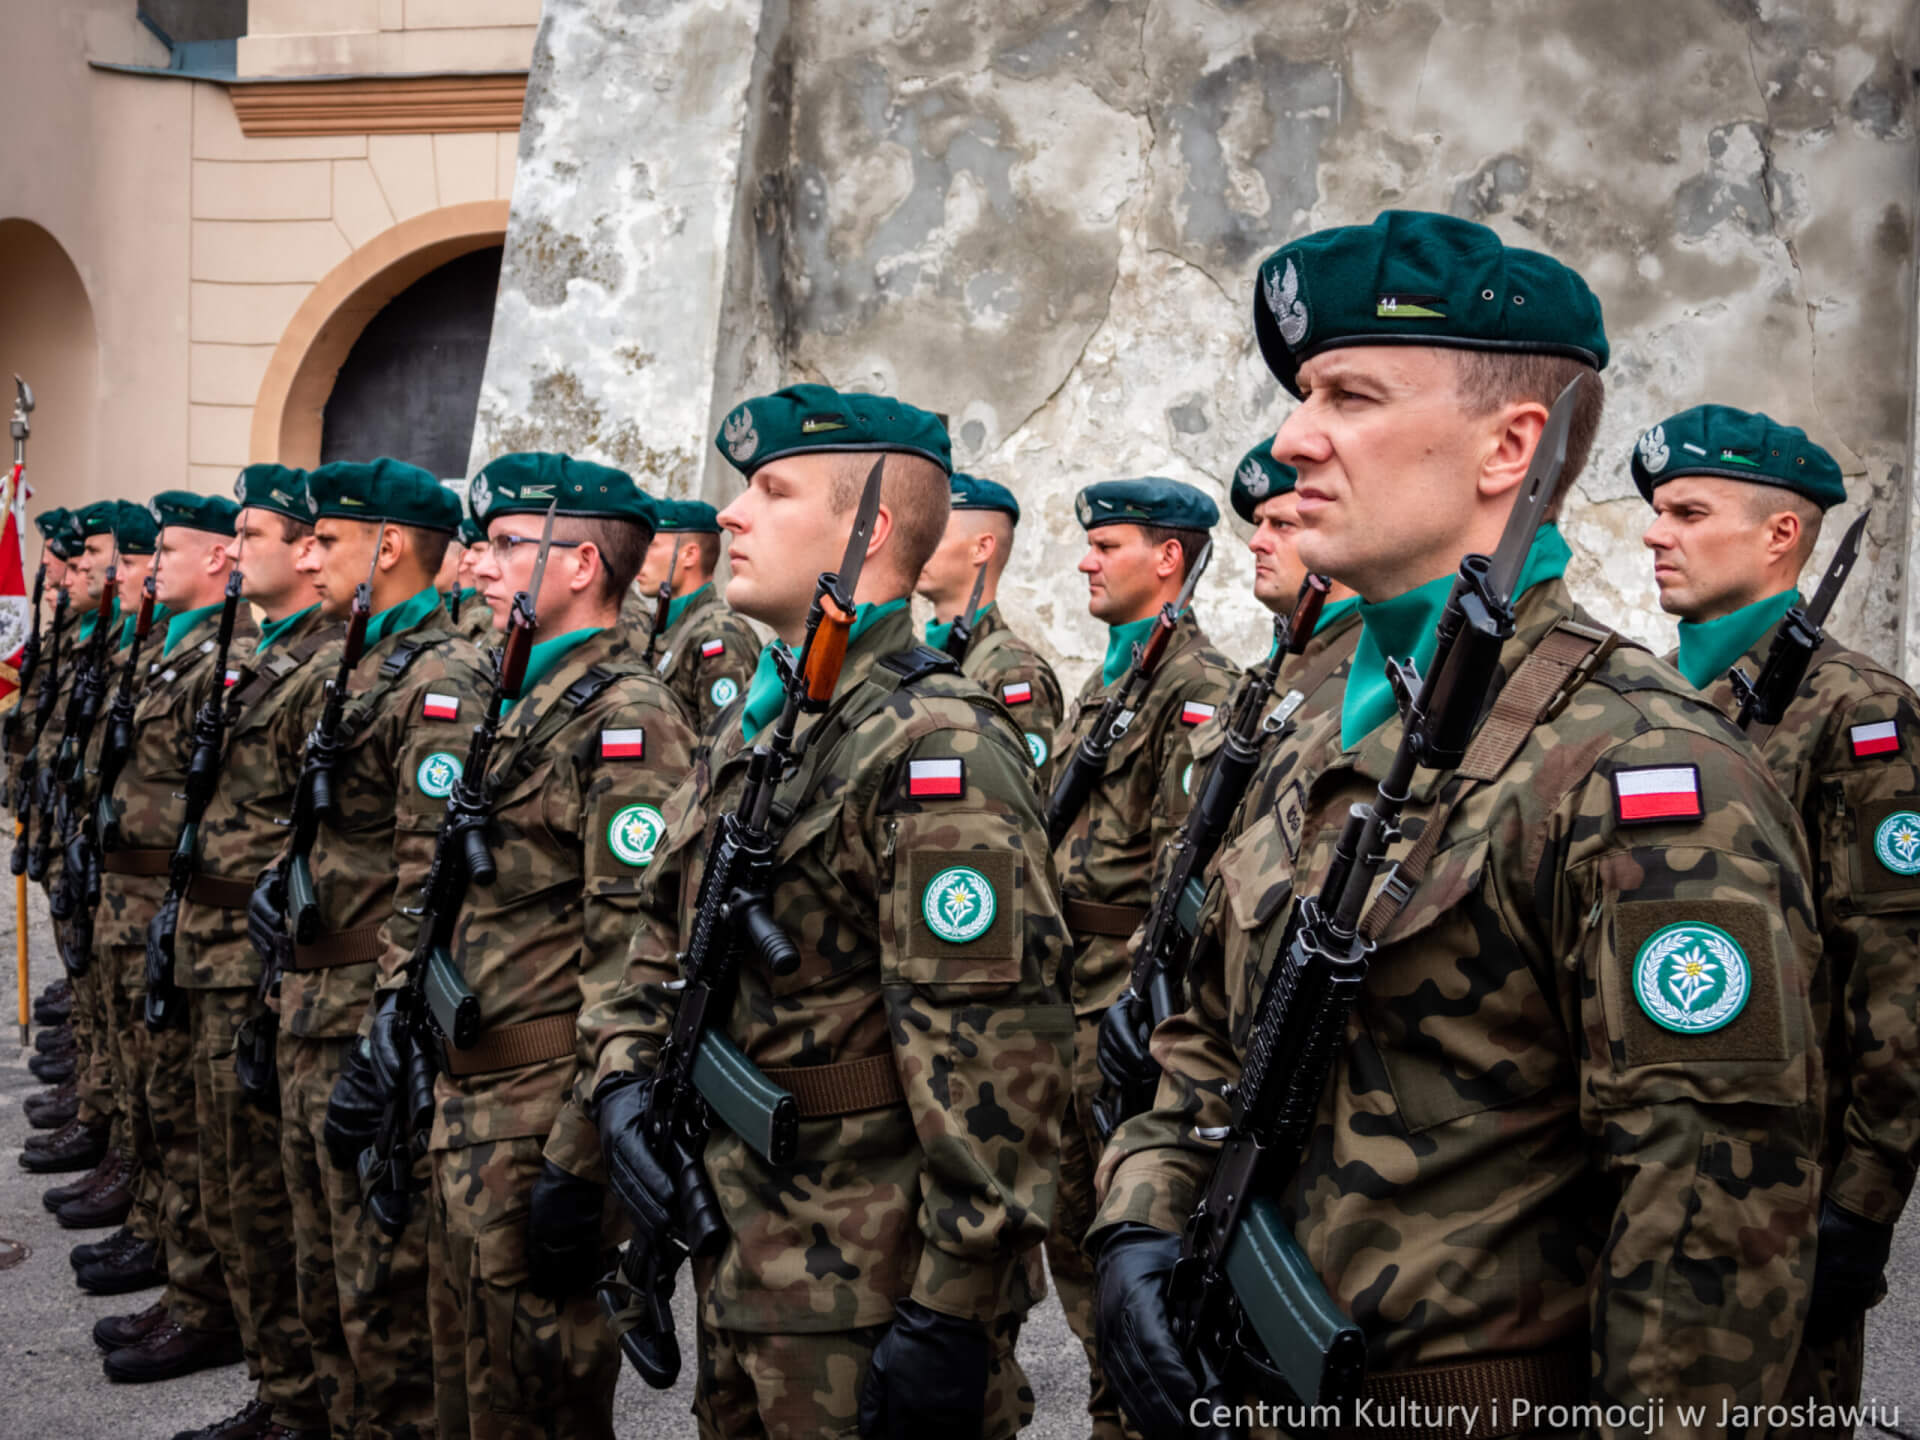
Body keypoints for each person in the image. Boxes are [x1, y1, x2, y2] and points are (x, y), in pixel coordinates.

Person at [1092, 211, 1824, 1440]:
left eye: (1351, 395)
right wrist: (1140, 1219)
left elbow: (1707, 1239)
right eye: (1303, 392)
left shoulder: (1643, 765)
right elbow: (1207, 1036)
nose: (1293, 437)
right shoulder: (1313, 719)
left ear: (1509, 448)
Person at [589, 382, 1071, 1439]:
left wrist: (951, 1307)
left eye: (770, 489)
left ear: (870, 530)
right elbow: (663, 933)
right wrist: (626, 1076)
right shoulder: (772, 722)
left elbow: (998, 1063)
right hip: (747, 1253)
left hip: (867, 1286)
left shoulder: (936, 746)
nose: (731, 514)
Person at [382, 451, 698, 1440]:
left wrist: (581, 1158)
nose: (484, 558)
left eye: (513, 542)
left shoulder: (628, 720)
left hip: (537, 1116)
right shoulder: (520, 696)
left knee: (538, 1397)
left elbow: (637, 952)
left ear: (579, 567)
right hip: (468, 1097)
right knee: (469, 1389)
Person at [1638, 403, 1920, 1434]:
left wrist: (1862, 1204)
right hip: (1657, 1177)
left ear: (1780, 535)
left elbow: (1898, 978)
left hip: (1788, 1195)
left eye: (1687, 511)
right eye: (1658, 511)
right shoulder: (1661, 699)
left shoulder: (1859, 713)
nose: (1653, 532)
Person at [250, 458, 487, 1439]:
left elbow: (429, 881)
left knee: (380, 1294)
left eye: (326, 540)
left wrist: (390, 1034)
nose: (306, 557)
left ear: (387, 547)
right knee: (322, 1270)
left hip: (366, 1017)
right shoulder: (358, 661)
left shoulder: (440, 680)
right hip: (311, 999)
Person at [1046, 475, 1236, 1440]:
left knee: (1129, 1255)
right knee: (1074, 1240)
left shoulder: (1198, 691)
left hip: (1122, 1012)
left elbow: (1185, 879)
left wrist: (1139, 1014)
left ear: (1168, 558)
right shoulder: (1116, 676)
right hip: (1065, 995)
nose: (1087, 558)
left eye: (1107, 544)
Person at [163, 463, 331, 1440]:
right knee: (228, 1174)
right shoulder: (261, 650)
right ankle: (277, 1380)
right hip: (214, 940)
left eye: (253, 534)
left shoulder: (327, 665)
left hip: (267, 960)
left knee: (270, 1194)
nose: (235, 550)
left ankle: (298, 1395)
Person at [94, 491, 254, 1383]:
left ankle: (205, 1300)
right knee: (167, 1100)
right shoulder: (186, 651)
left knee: (215, 1139)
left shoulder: (233, 657)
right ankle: (179, 1267)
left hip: (227, 929)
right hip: (164, 902)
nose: (146, 569)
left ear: (219, 559)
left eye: (165, 551)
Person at [916, 473, 1063, 786]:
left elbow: (1030, 801)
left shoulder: (1015, 674)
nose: (919, 547)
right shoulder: (922, 660)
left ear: (981, 548)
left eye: (935, 535)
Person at [630, 497, 761, 732]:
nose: (638, 556)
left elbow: (724, 749)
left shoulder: (719, 636)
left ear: (689, 555)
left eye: (651, 545)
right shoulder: (663, 628)